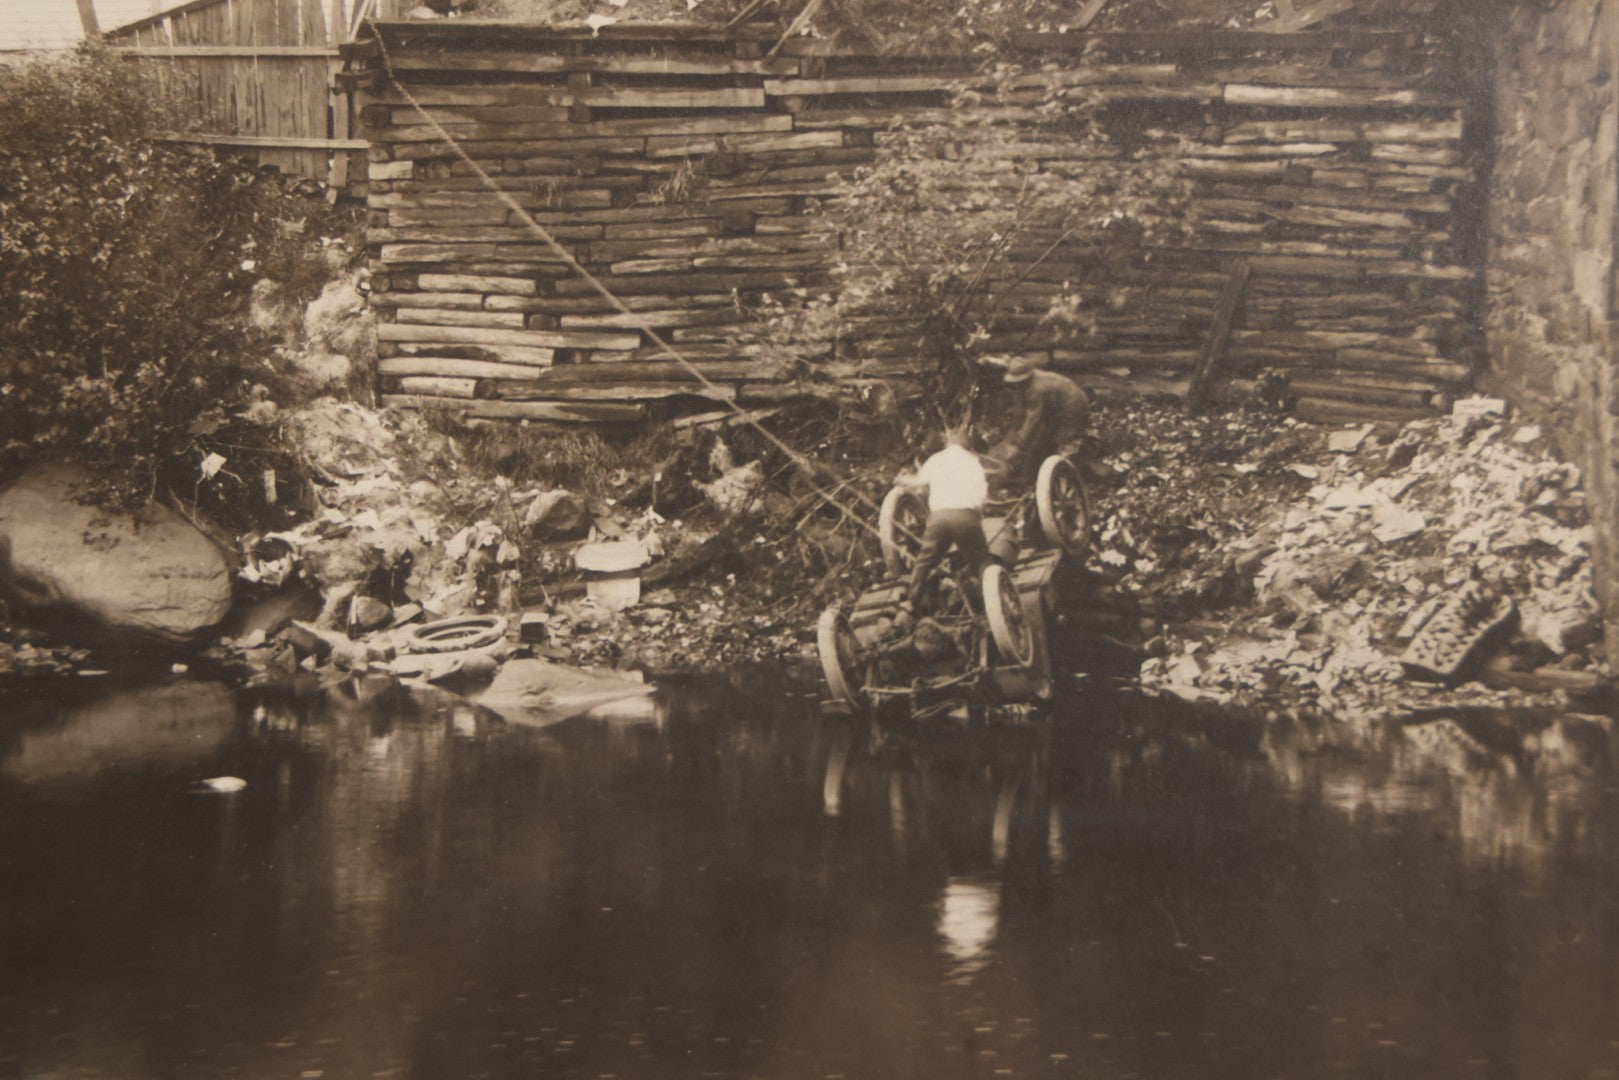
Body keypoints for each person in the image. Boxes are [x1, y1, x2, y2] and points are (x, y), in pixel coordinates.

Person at [895, 424, 990, 620]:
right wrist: (975, 512)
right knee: (981, 560)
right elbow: (982, 494)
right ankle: (994, 598)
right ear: (966, 444)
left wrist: (901, 480)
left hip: (939, 519)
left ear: (949, 442)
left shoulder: (936, 459)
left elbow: (918, 484)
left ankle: (911, 603)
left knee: (924, 562)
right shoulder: (973, 461)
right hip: (966, 516)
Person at [1000, 357, 1091, 473]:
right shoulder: (1025, 385)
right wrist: (1013, 436)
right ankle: (1038, 470)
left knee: (1066, 440)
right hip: (1056, 407)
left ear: (1027, 377)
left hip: (1074, 406)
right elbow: (1020, 414)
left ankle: (1067, 473)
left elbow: (1033, 419)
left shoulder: (1037, 388)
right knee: (1042, 440)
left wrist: (1019, 445)